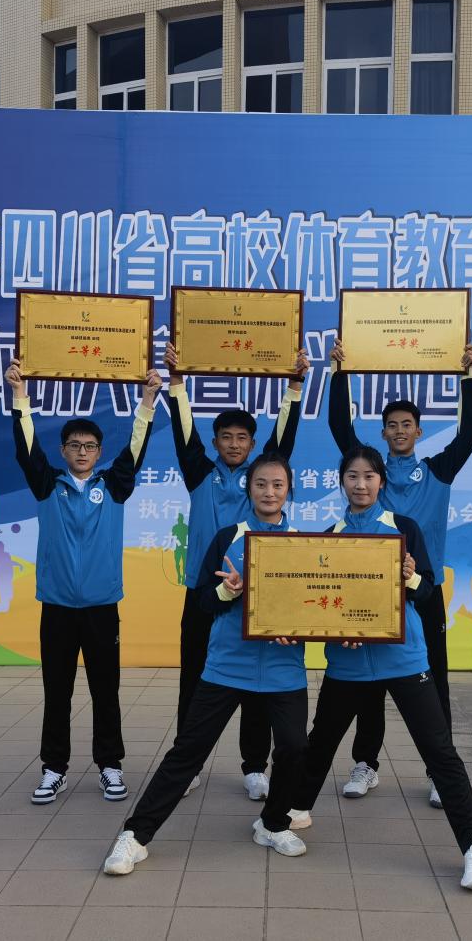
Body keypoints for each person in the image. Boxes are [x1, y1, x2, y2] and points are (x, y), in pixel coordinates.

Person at [286, 445, 472, 892]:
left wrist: (410, 576)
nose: (360, 484)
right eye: (352, 476)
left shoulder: (404, 528)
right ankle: (295, 810)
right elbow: (322, 600)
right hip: (348, 664)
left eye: (369, 476)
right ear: (342, 481)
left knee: (440, 752)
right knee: (320, 743)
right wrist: (334, 628)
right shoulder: (330, 536)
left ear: (381, 481)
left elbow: (426, 592)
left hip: (404, 660)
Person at [103, 452, 310, 875]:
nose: (269, 492)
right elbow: (202, 602)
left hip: (283, 670)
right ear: (248, 489)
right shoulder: (227, 537)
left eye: (278, 485)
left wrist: (301, 628)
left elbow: (316, 604)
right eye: (260, 484)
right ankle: (135, 835)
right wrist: (226, 592)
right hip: (227, 666)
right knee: (188, 751)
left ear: (289, 490)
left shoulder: (306, 545)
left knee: (294, 748)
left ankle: (272, 823)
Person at [326, 340, 472, 808]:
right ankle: (366, 763)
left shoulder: (437, 471)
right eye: (392, 425)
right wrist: (339, 372)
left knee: (434, 681)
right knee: (369, 682)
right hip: (369, 593)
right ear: (383, 431)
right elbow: (339, 425)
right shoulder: (371, 472)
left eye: (406, 425)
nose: (399, 431)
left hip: (422, 591)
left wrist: (470, 375)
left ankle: (438, 771)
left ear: (418, 431)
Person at [6, 358, 160, 805]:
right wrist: (19, 395)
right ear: (63, 450)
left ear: (98, 451)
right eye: (74, 445)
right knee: (57, 692)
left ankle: (110, 765)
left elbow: (136, 448)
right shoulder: (46, 485)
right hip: (56, 607)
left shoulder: (114, 486)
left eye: (89, 446)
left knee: (105, 691)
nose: (81, 452)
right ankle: (53, 769)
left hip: (100, 607)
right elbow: (26, 448)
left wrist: (148, 400)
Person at [164, 342, 308, 801]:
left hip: (254, 594)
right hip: (204, 593)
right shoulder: (199, 473)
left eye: (242, 438)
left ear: (251, 444)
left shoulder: (258, 481)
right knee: (194, 679)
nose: (233, 443)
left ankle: (254, 766)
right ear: (215, 442)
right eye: (225, 436)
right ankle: (189, 763)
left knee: (254, 686)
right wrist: (176, 382)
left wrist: (295, 386)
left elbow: (283, 442)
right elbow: (183, 431)